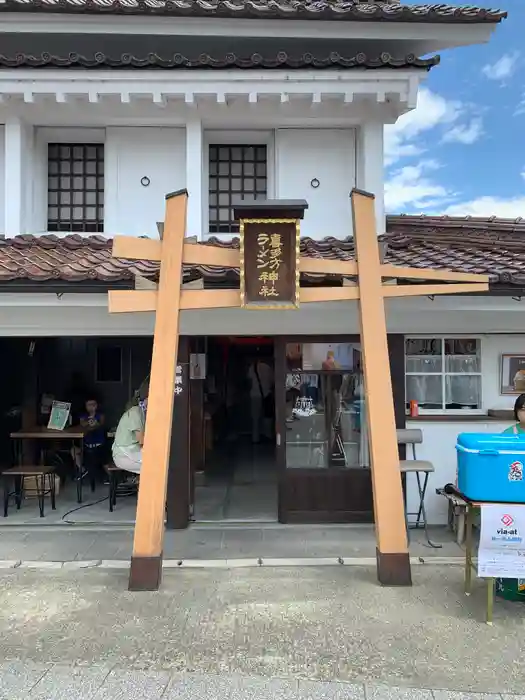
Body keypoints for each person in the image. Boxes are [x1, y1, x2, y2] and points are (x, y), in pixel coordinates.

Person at [112, 398, 147, 479]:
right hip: (124, 456)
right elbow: (142, 441)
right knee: (156, 467)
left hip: (132, 453)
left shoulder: (140, 411)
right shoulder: (135, 412)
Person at [247, 358, 274, 443]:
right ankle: (268, 435)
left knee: (255, 418)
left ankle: (255, 438)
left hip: (255, 395)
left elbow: (249, 381)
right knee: (268, 417)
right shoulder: (268, 367)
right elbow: (272, 381)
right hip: (267, 394)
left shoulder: (252, 367)